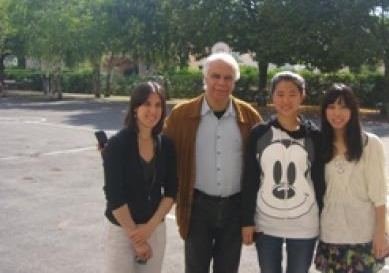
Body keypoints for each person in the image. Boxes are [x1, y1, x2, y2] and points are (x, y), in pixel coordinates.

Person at [163, 52, 262, 273]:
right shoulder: (181, 115)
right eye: (215, 76)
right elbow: (159, 151)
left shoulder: (250, 117)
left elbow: (262, 165)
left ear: (234, 82)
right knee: (195, 268)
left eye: (228, 78)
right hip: (196, 207)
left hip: (235, 209)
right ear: (205, 78)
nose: (221, 83)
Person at [241, 71, 325, 273]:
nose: (286, 100)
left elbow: (321, 182)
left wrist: (325, 221)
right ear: (272, 97)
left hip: (305, 224)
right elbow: (250, 180)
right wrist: (246, 221)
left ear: (302, 96)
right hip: (266, 224)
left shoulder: (314, 136)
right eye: (280, 94)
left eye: (292, 94)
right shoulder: (259, 133)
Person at [315, 83, 389, 273]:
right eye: (331, 107)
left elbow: (379, 193)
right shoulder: (318, 144)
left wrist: (380, 233)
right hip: (330, 233)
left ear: (353, 110)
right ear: (325, 111)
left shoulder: (370, 144)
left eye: (343, 107)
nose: (337, 113)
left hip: (363, 234)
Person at [102, 81, 177, 273]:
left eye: (158, 105)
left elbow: (171, 192)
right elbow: (115, 196)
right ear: (135, 108)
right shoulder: (117, 145)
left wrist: (149, 229)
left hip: (154, 230)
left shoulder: (166, 145)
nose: (153, 110)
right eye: (146, 104)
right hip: (122, 231)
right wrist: (136, 237)